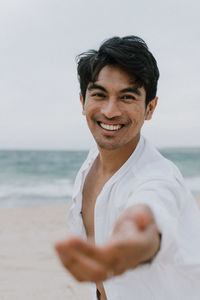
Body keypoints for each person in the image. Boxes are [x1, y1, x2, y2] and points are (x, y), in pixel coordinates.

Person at [55, 36, 200, 300]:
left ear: (150, 108)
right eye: (99, 95)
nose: (110, 111)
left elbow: (148, 220)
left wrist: (126, 248)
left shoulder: (159, 178)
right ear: (82, 102)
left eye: (127, 97)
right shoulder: (90, 166)